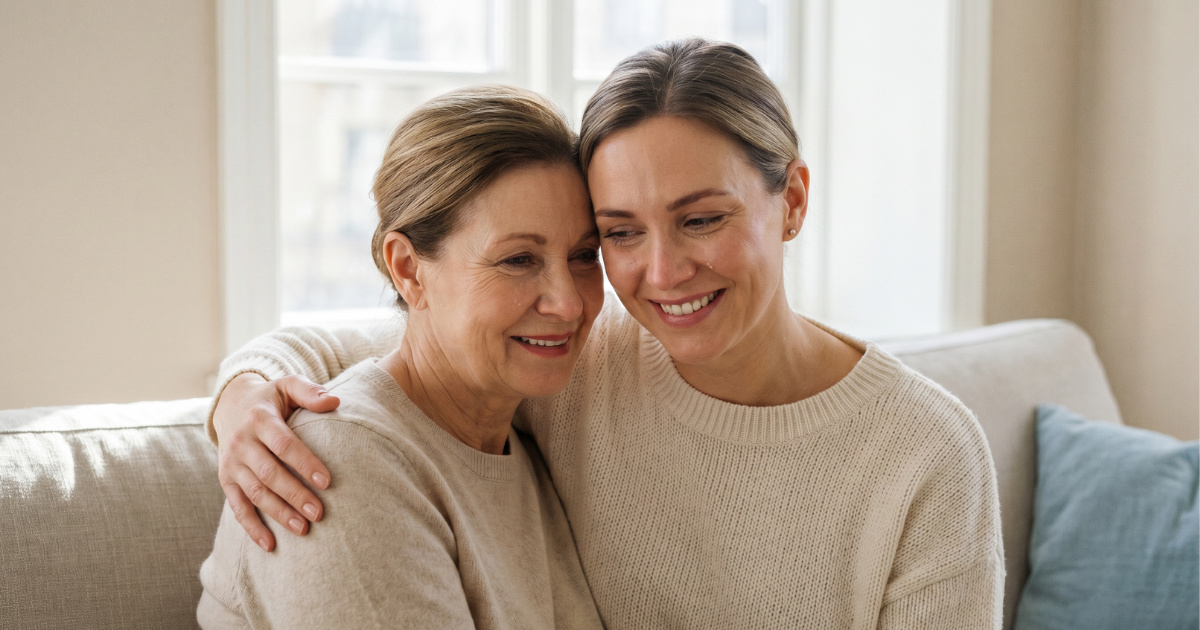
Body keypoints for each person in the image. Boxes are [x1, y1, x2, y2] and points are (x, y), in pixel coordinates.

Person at [209, 39, 1005, 627]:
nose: (661, 273)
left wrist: (246, 389)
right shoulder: (571, 366)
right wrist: (246, 390)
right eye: (620, 234)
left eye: (701, 219)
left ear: (792, 200)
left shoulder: (926, 453)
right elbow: (395, 360)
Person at [197, 85, 605, 629]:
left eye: (584, 255)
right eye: (518, 260)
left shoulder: (518, 434)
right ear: (409, 270)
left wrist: (244, 382)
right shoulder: (338, 464)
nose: (569, 303)